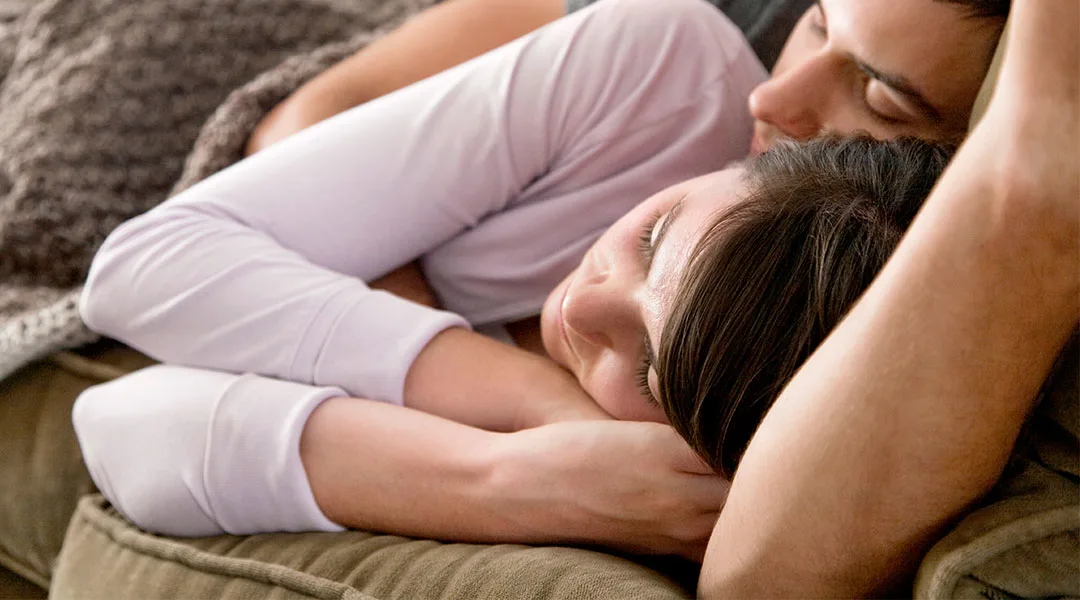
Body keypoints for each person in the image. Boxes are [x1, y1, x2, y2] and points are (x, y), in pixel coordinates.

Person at [73, 0, 1016, 576]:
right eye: (816, 16)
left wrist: (512, 482)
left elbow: (124, 421)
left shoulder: (759, 374)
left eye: (884, 100)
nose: (773, 104)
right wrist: (533, 408)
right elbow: (170, 245)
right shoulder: (677, 82)